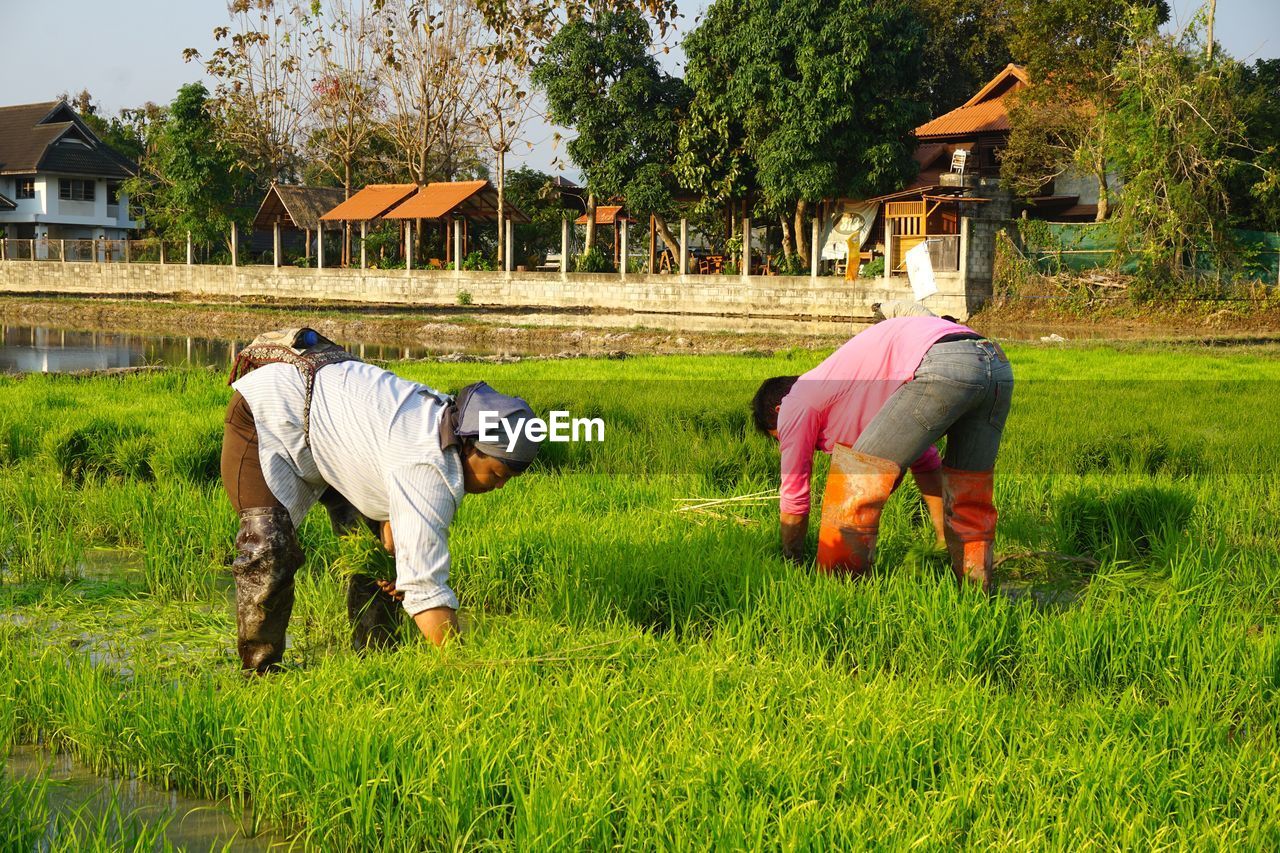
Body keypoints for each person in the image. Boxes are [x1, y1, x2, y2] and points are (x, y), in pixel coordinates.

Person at [220, 329, 540, 673]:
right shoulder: (428, 466)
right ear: (470, 445)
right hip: (269, 411)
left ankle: (377, 661)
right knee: (268, 548)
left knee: (376, 553)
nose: (501, 485)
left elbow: (397, 519)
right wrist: (465, 665)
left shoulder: (444, 424)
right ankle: (260, 672)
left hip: (334, 430)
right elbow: (425, 586)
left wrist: (398, 554)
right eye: (496, 474)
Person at [752, 315, 1013, 590]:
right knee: (969, 499)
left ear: (779, 413)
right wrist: (940, 541)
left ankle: (839, 594)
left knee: (852, 489)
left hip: (941, 362)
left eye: (780, 436)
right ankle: (975, 597)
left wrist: (791, 561)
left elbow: (794, 495)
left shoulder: (795, 401)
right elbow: (925, 464)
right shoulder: (852, 392)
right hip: (995, 365)